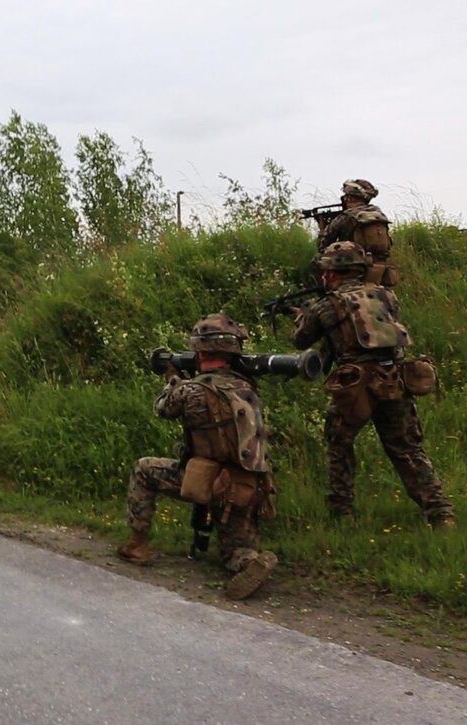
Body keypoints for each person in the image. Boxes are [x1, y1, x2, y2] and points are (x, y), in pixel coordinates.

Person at [292, 241, 455, 528]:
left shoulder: (326, 305)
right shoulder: (387, 296)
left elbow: (301, 340)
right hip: (394, 379)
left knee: (339, 445)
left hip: (354, 386)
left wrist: (303, 318)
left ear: (330, 273)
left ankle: (341, 513)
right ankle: (440, 513)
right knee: (407, 450)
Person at [119, 313, 278, 601]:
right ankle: (251, 562)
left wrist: (172, 381)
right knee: (234, 552)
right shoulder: (247, 387)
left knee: (143, 469)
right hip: (247, 486)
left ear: (201, 351)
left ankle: (137, 544)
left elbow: (162, 409)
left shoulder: (191, 390)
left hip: (208, 480)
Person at [316, 179, 398, 286]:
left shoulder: (345, 217)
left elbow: (322, 247)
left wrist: (322, 228)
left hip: (354, 269)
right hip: (380, 271)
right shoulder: (379, 214)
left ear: (349, 197)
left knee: (317, 261)